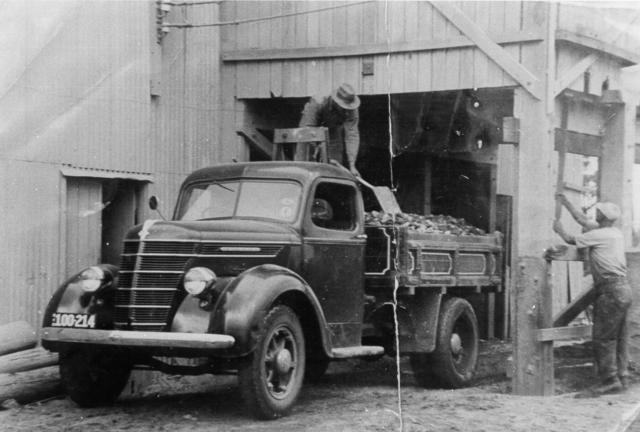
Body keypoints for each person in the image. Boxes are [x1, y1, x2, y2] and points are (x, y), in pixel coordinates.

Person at [553, 195, 632, 396]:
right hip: (622, 289)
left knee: (603, 338)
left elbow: (571, 239)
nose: (594, 214)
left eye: (598, 212)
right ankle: (622, 378)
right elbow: (582, 220)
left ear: (603, 217)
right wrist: (565, 202)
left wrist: (559, 228)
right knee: (619, 337)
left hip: (610, 290)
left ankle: (609, 381)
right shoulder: (614, 233)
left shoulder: (601, 235)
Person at [298, 83, 361, 177]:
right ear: (336, 101)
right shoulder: (318, 102)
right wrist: (317, 148)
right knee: (305, 163)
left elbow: (352, 135)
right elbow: (308, 129)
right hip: (309, 128)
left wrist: (352, 165)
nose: (346, 110)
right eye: (343, 107)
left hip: (332, 130)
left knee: (334, 167)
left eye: (348, 108)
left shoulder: (352, 109)